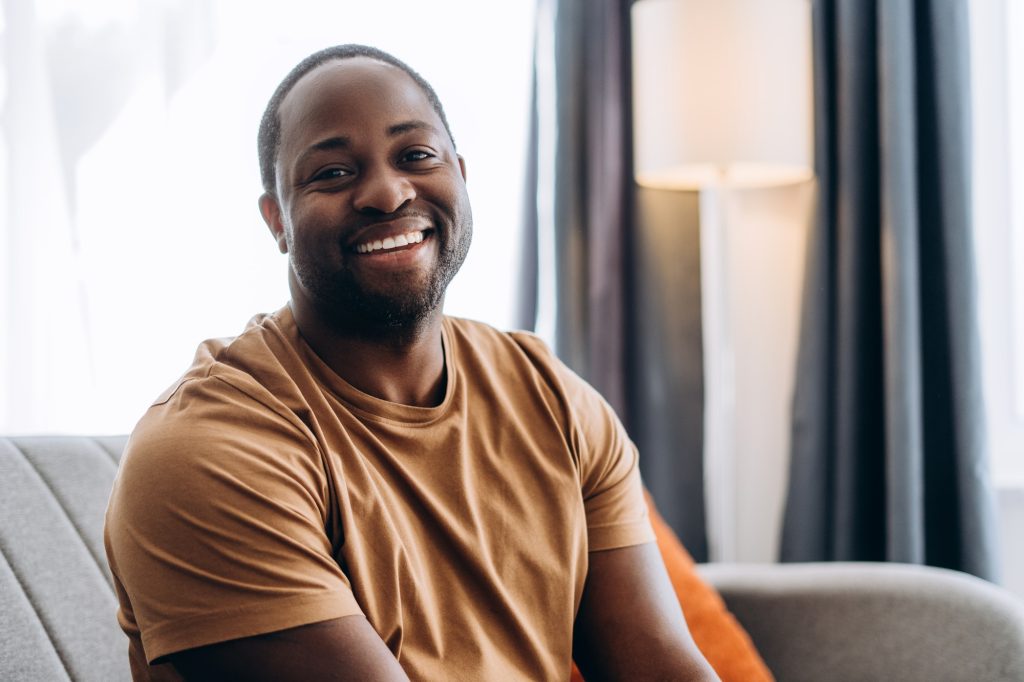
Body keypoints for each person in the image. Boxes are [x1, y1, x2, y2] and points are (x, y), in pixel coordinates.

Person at [104, 44, 719, 682]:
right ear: (276, 219)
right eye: (333, 172)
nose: (386, 192)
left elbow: (661, 667)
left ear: (461, 175)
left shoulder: (552, 396)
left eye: (416, 156)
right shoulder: (209, 451)